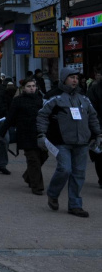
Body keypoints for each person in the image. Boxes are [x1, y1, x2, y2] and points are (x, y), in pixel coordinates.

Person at [37, 67, 102, 217]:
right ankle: (53, 193)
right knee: (65, 169)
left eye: (76, 78)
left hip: (82, 142)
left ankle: (75, 205)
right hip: (61, 141)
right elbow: (42, 116)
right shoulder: (54, 97)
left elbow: (92, 116)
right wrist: (41, 134)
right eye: (71, 77)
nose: (75, 80)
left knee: (79, 174)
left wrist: (98, 133)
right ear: (64, 78)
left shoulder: (83, 98)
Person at [0, 77, 46, 195]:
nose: (32, 88)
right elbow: (10, 118)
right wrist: (1, 133)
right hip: (25, 134)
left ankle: (27, 176)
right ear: (23, 88)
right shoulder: (18, 101)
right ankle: (37, 186)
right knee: (33, 160)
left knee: (43, 156)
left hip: (39, 133)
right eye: (29, 86)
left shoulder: (40, 99)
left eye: (33, 86)